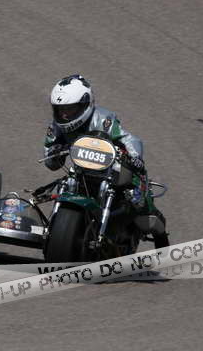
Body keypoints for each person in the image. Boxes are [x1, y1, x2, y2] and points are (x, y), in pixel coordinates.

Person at [42, 74, 169, 248]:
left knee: (138, 201)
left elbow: (129, 139)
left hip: (110, 168)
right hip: (81, 170)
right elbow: (50, 161)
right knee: (64, 184)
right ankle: (54, 230)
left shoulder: (104, 119)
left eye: (69, 109)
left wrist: (135, 157)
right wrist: (55, 152)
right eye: (59, 110)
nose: (64, 114)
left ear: (85, 105)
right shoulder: (56, 126)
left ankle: (162, 239)